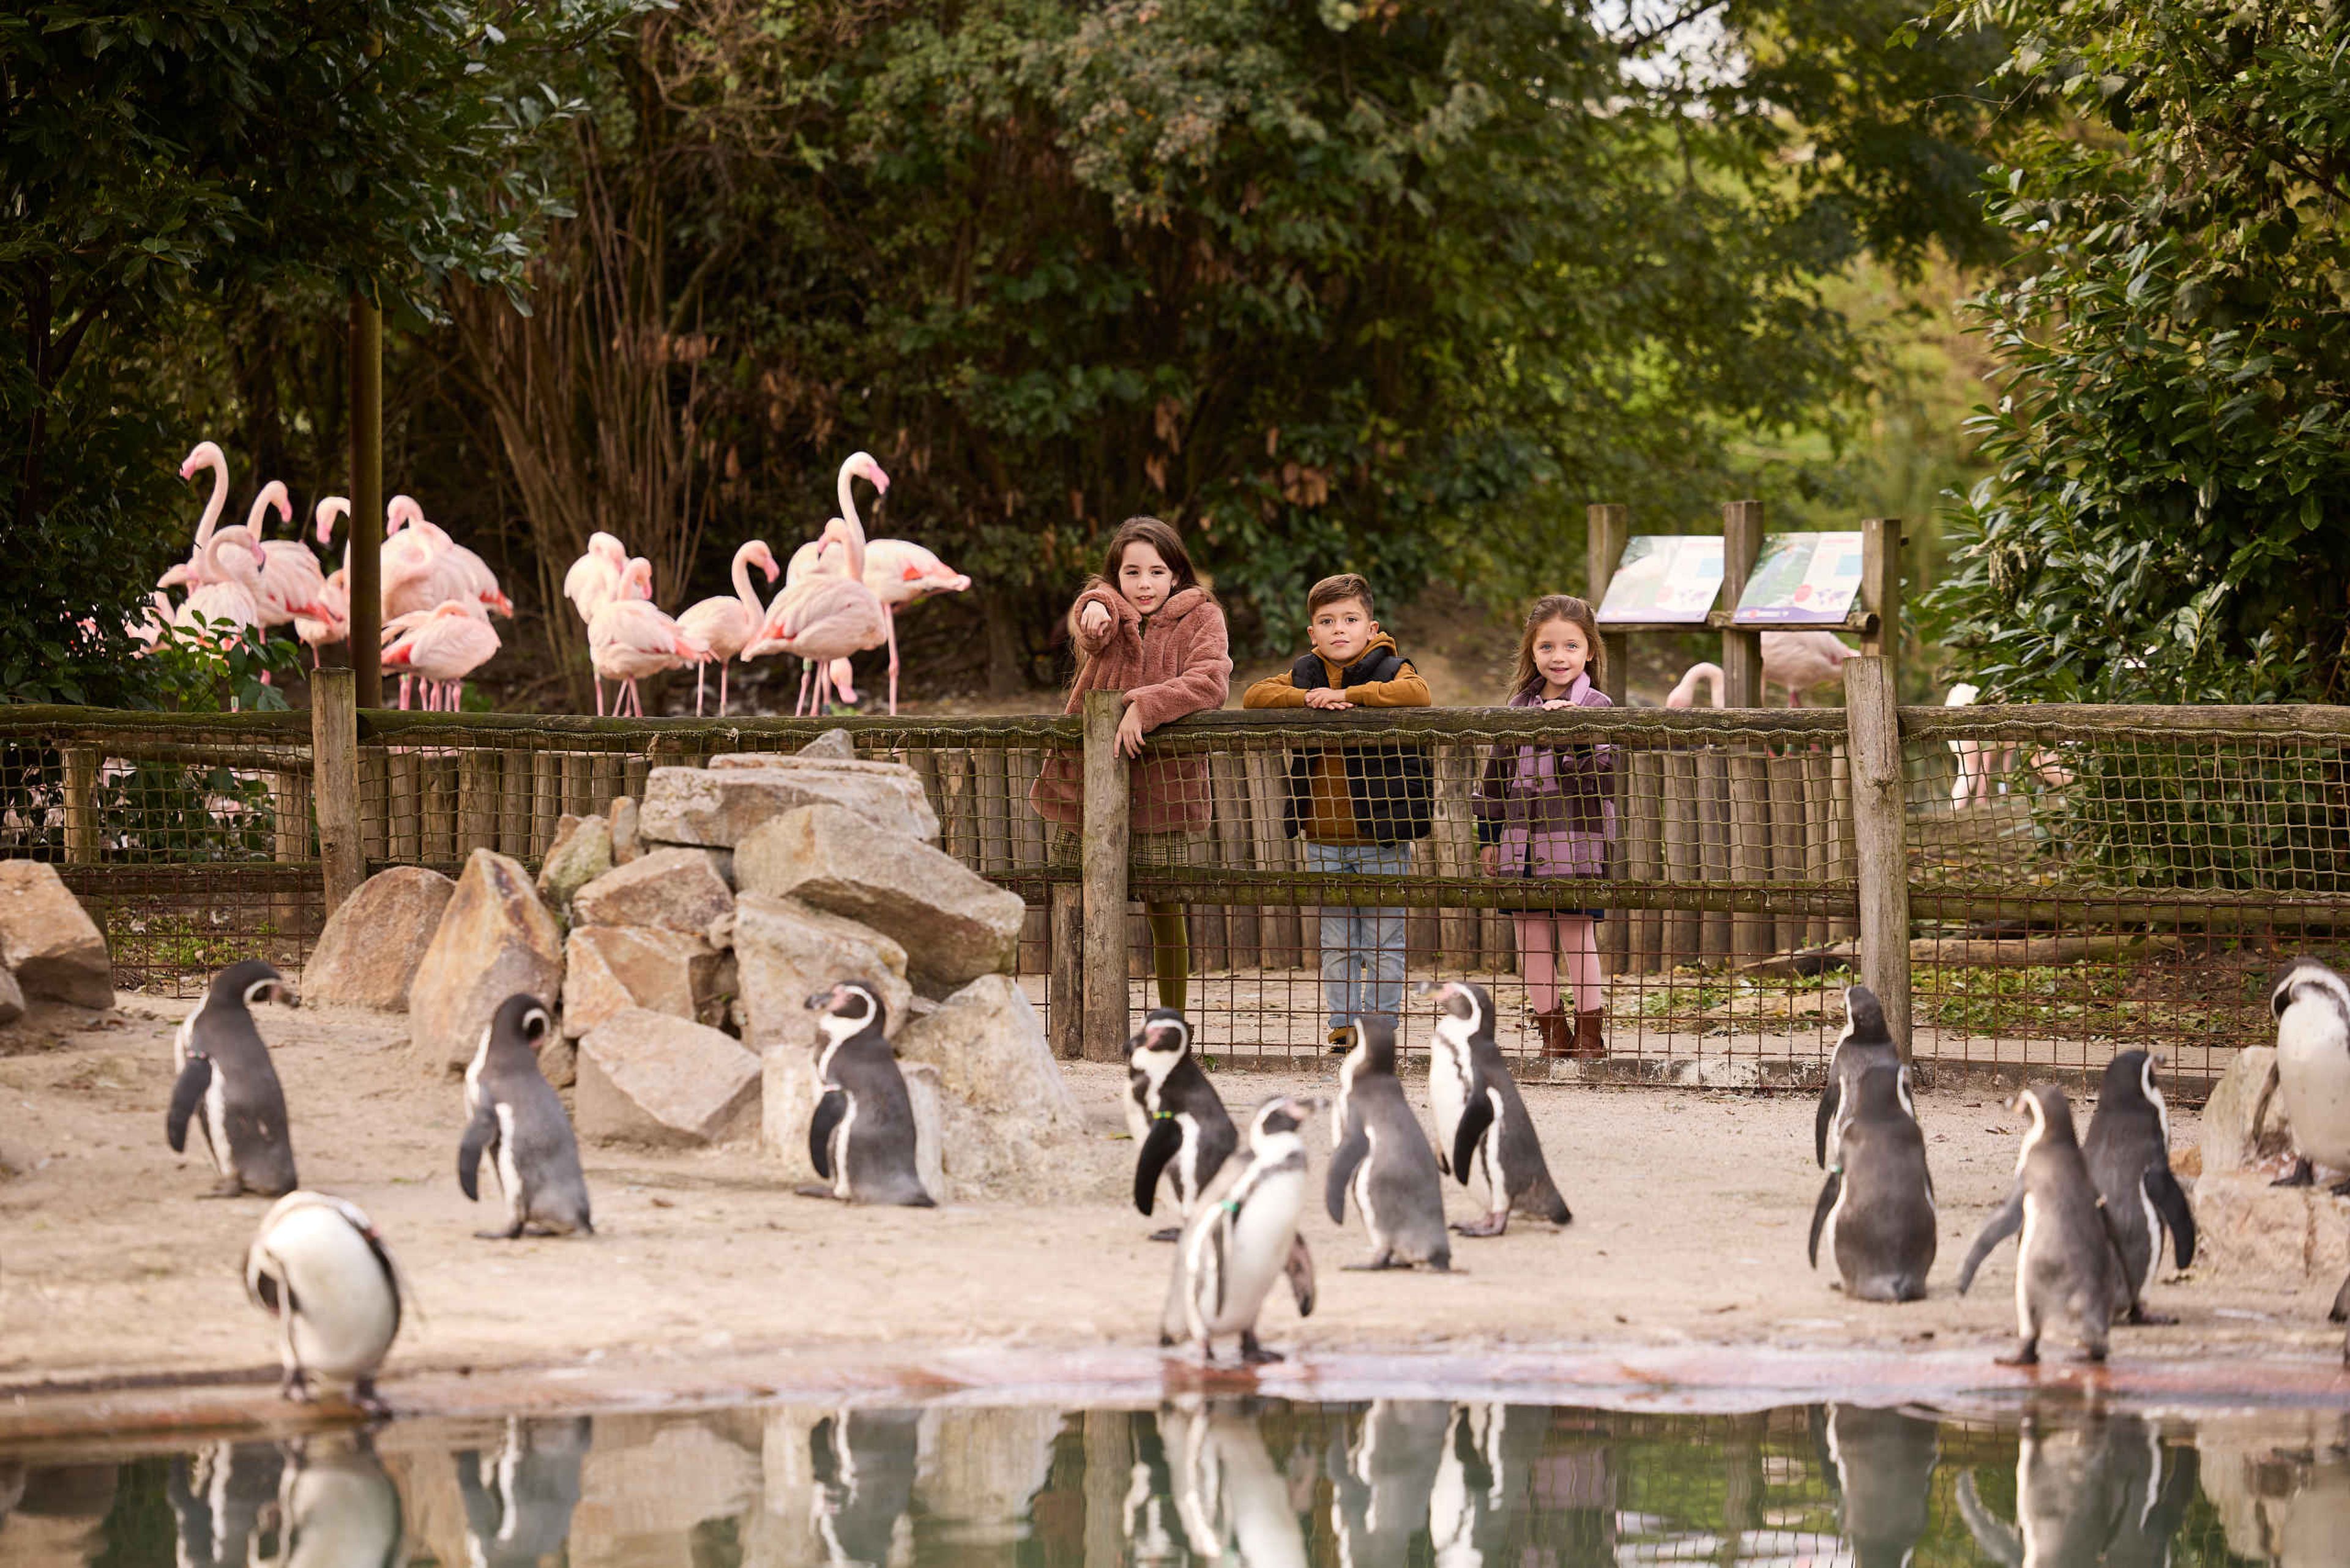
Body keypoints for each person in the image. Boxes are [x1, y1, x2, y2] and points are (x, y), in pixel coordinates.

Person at [1029, 517, 1231, 1010]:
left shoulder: (1202, 618)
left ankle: (1174, 1022)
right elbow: (1091, 620)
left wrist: (1147, 704)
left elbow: (1211, 680)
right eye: (1132, 573)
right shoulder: (1106, 610)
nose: (1144, 585)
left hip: (1165, 784)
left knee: (1165, 906)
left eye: (1157, 572)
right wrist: (1095, 609)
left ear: (1177, 574)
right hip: (1090, 784)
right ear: (1116, 577)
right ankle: (1077, 1016)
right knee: (1077, 901)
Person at [1242, 573, 1432, 1053]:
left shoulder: (1391, 669)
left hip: (1381, 838)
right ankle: (1343, 1026)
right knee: (1337, 943)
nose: (1339, 629)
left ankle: (1380, 1029)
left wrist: (1352, 697)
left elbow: (1420, 695)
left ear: (1371, 627)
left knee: (1384, 942)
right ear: (1313, 633)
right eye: (1327, 621)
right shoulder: (1306, 673)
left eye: (1350, 619)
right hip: (1323, 839)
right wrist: (1305, 698)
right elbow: (1254, 696)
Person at [1475, 594, 1615, 1059]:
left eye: (1571, 647)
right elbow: (1493, 780)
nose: (1559, 657)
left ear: (1589, 651)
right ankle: (1553, 1034)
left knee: (1578, 938)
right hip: (1521, 847)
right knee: (1531, 940)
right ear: (1532, 652)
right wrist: (1490, 840)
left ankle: (1590, 1036)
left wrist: (1569, 737)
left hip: (1576, 845)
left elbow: (1600, 782)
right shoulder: (1517, 708)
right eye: (1548, 647)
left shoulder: (1598, 707)